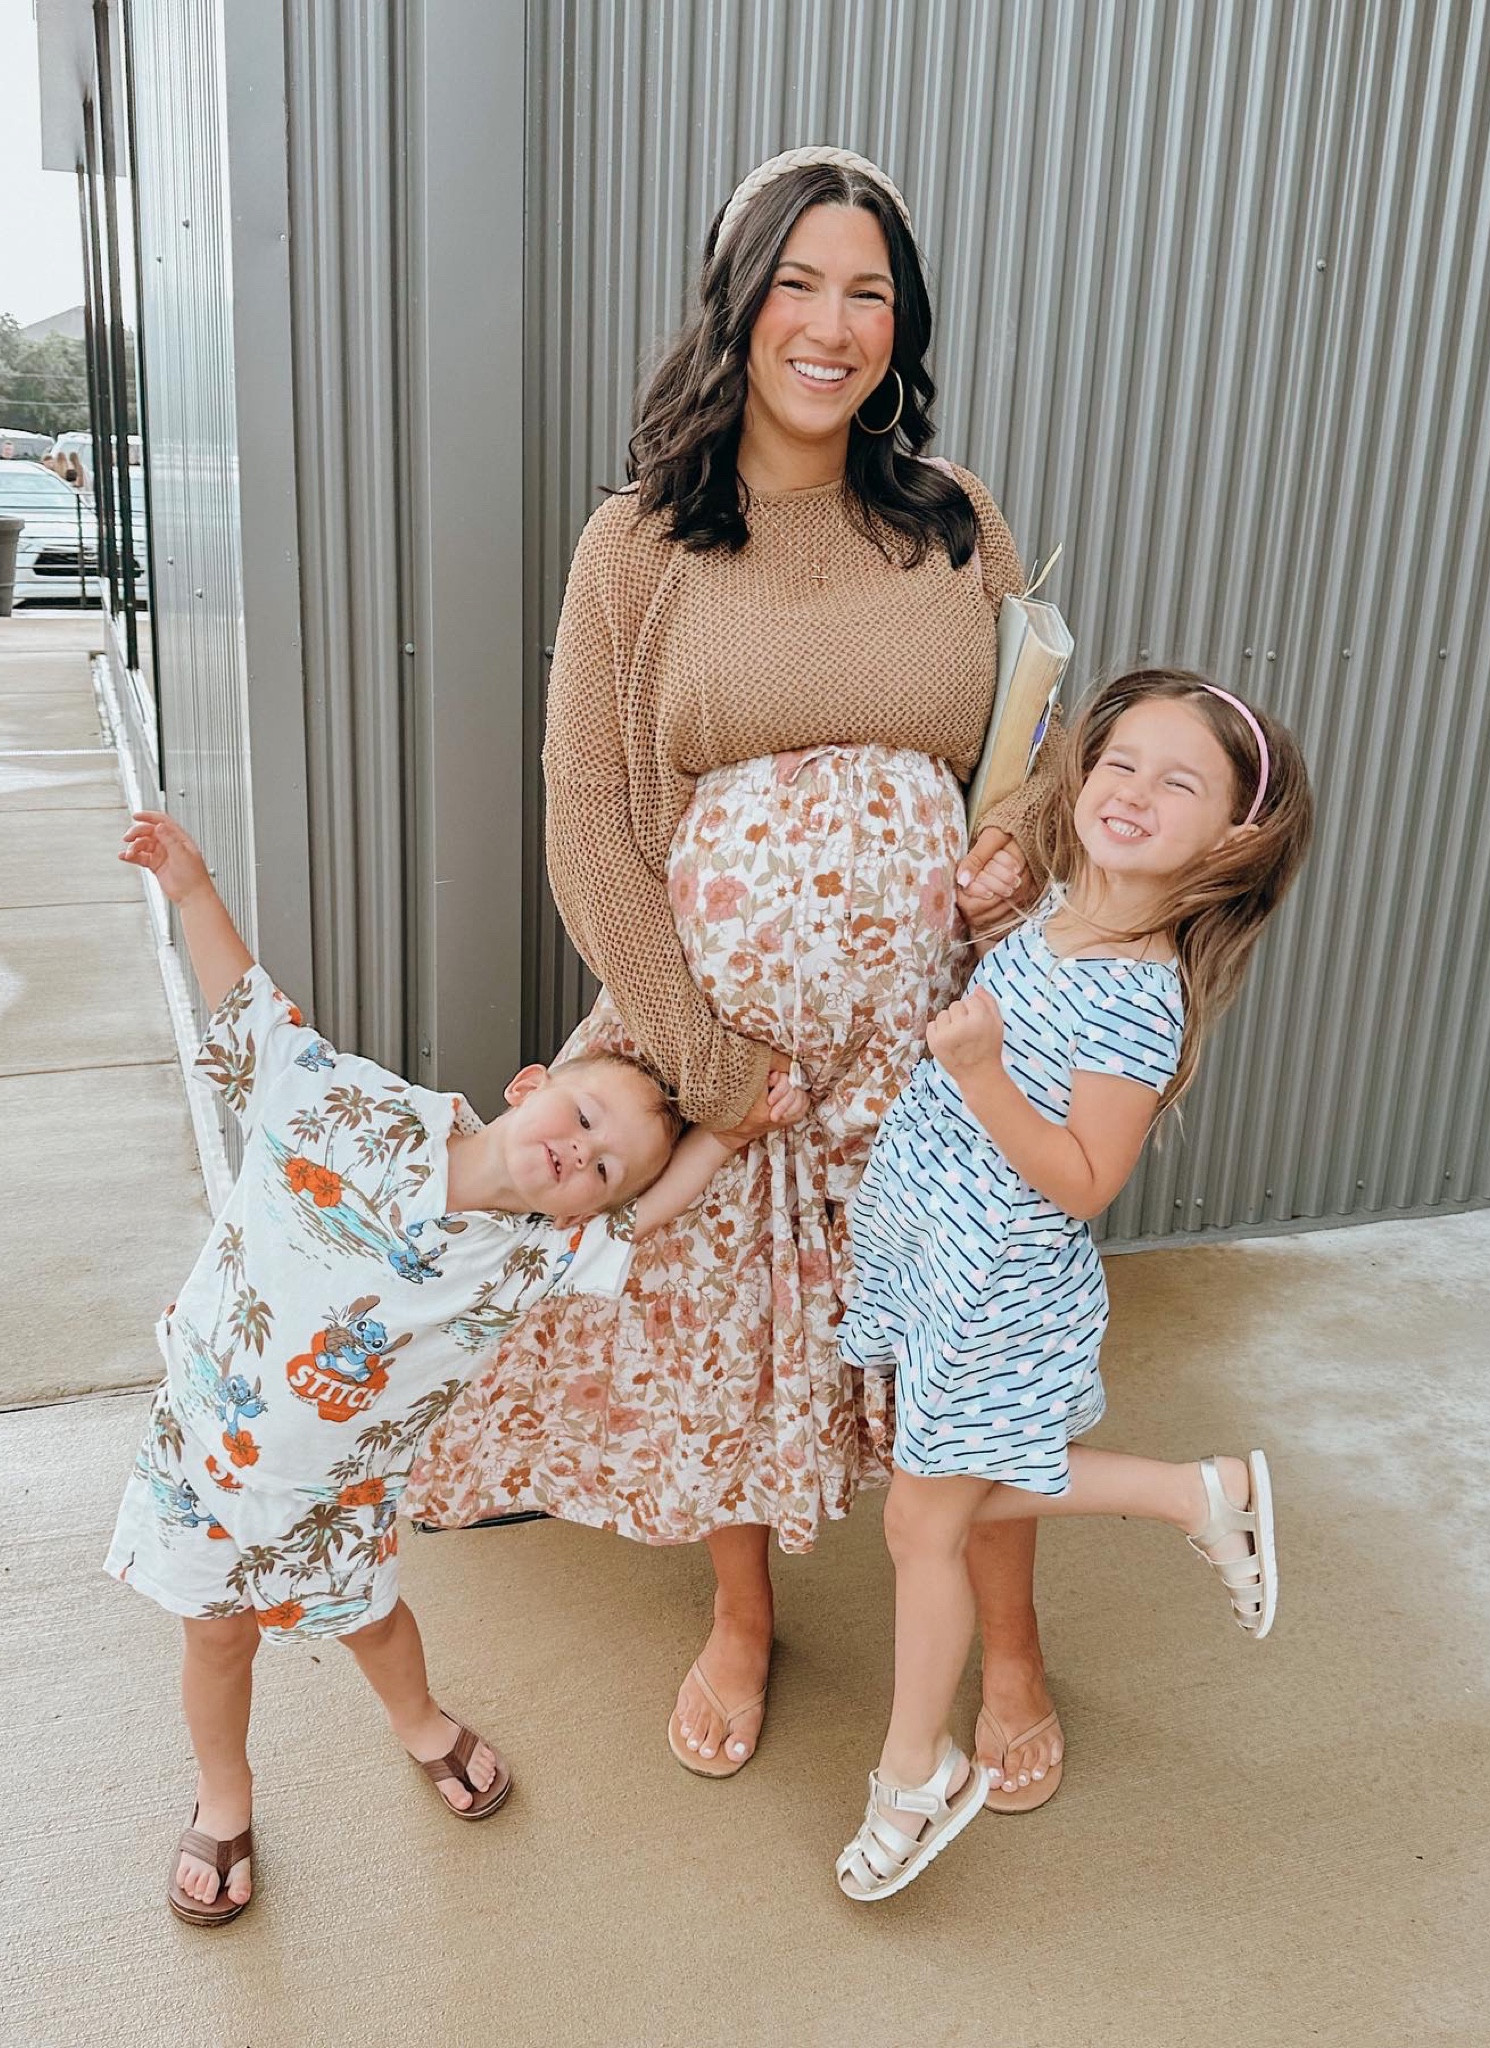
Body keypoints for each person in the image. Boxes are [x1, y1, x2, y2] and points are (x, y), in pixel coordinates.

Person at [404, 145, 1070, 1794]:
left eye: (867, 290)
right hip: (729, 1058)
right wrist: (707, 1065)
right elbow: (583, 820)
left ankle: (1010, 1653)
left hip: (930, 1046)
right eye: (797, 282)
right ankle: (743, 1612)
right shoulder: (641, 543)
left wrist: (1018, 848)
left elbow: (1027, 754)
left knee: (958, 1346)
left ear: (896, 319)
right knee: (727, 1341)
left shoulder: (949, 517)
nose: (831, 324)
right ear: (736, 300)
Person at [105, 811, 791, 1927]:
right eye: (580, 1114)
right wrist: (193, 891)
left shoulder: (536, 1254)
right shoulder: (352, 1108)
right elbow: (252, 1019)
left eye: (602, 1164)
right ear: (530, 1086)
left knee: (373, 1618)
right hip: (204, 1455)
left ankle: (420, 1720)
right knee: (216, 1634)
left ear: (591, 1206)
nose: (579, 1149)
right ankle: (224, 1795)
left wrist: (732, 1130)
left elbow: (658, 1211)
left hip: (342, 1496)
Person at [831, 669, 1315, 1901]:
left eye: (1179, 781)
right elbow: (1039, 761)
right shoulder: (1055, 909)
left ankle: (912, 1773)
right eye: (1120, 762)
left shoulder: (1138, 994)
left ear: (1235, 837)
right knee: (938, 1502)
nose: (1134, 791)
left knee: (919, 1523)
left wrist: (985, 1073)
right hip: (945, 1255)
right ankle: (1194, 1491)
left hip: (998, 1281)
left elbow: (1089, 1178)